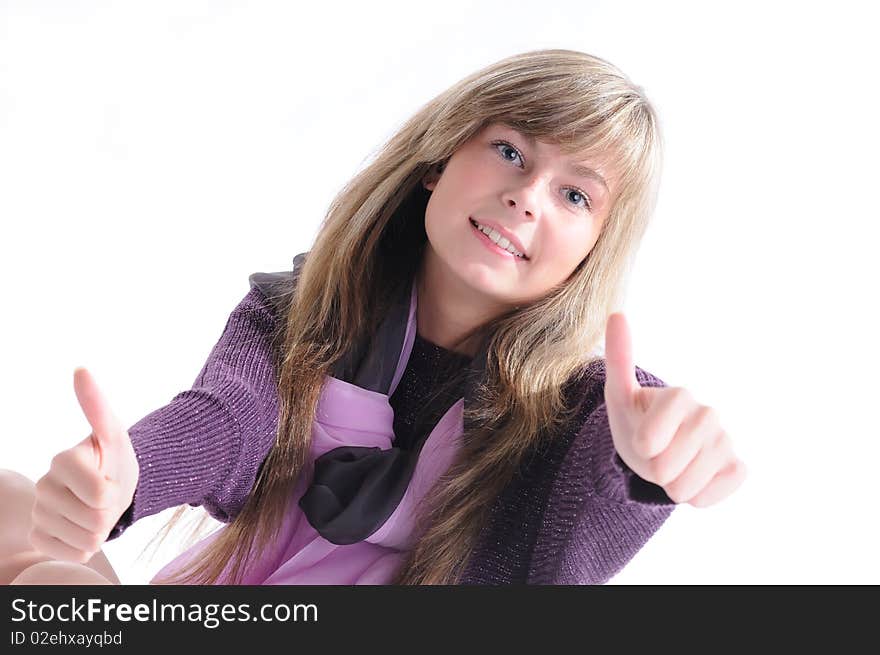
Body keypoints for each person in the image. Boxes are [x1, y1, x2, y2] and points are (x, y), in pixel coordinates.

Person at [1, 48, 746, 586]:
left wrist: (648, 470)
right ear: (438, 162)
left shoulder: (584, 416)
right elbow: (229, 419)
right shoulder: (302, 310)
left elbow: (575, 540)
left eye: (576, 196)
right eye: (511, 150)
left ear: (593, 250)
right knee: (17, 509)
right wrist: (126, 479)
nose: (529, 196)